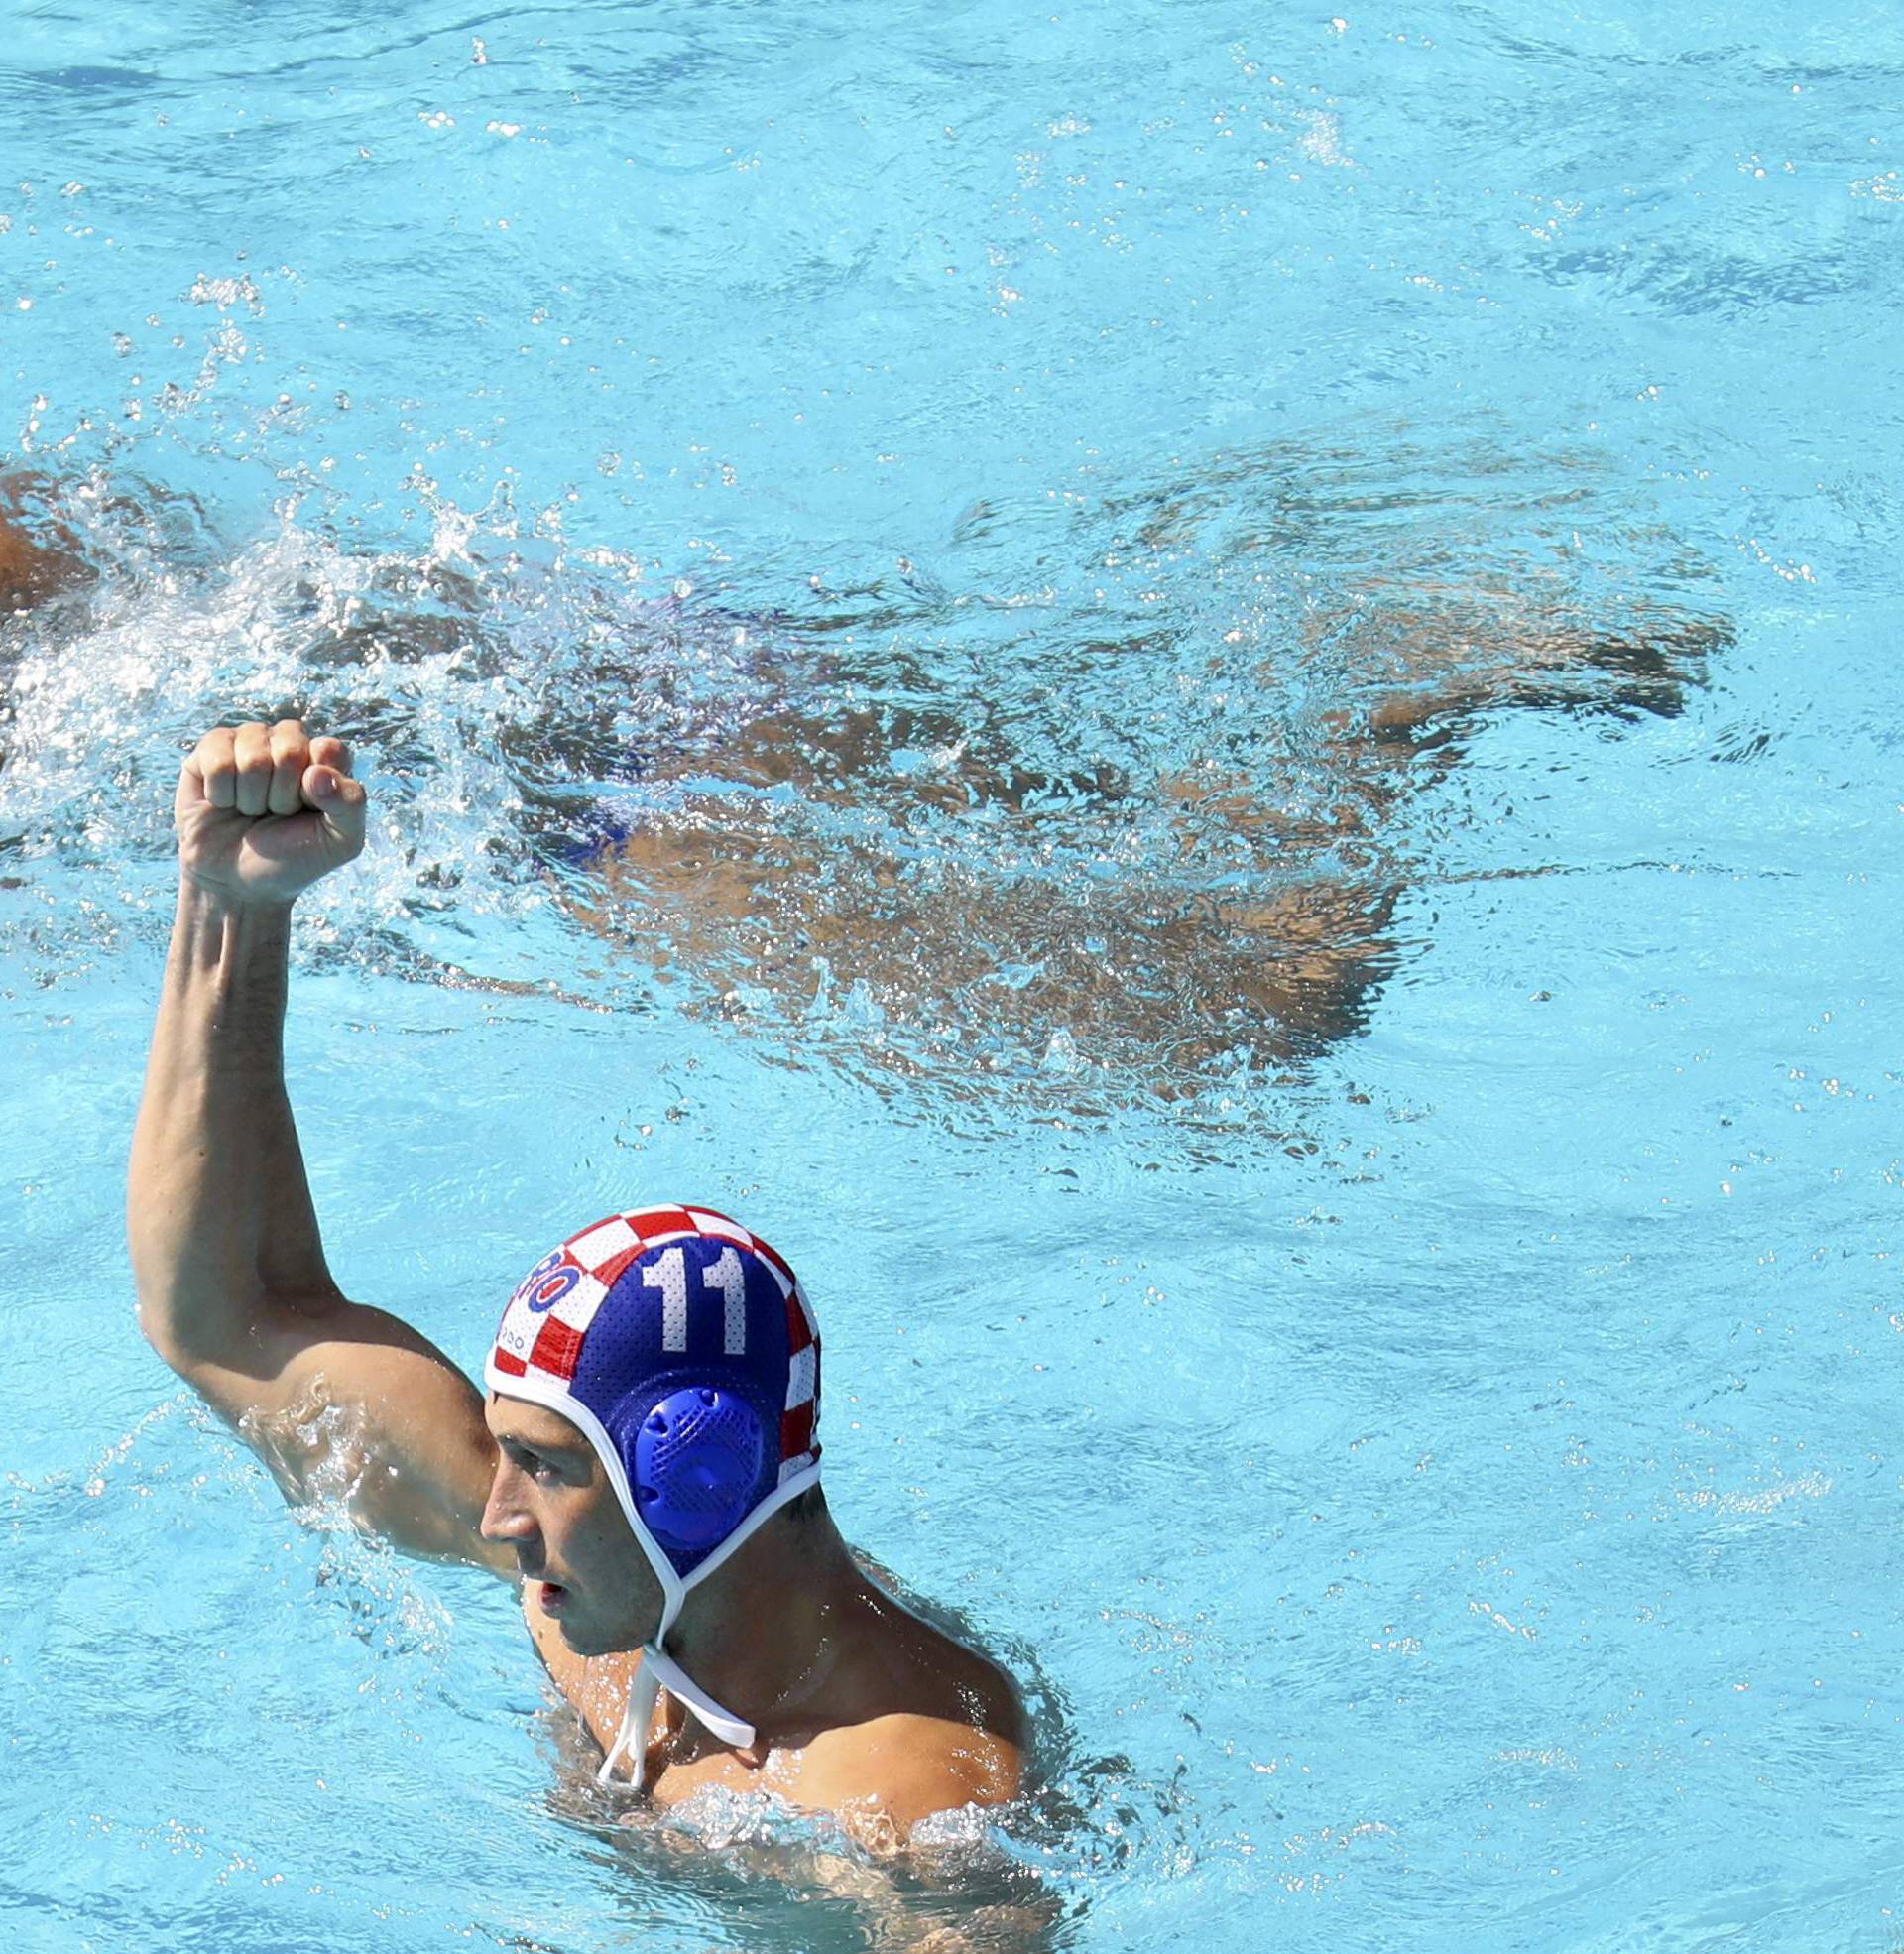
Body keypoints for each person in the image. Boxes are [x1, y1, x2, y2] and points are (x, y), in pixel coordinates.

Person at [127, 716, 1026, 1843]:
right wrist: (230, 910)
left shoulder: (910, 1792)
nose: (498, 1513)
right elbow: (226, 1316)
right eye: (511, 1451)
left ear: (691, 1476)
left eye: (546, 1466)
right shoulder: (595, 1580)